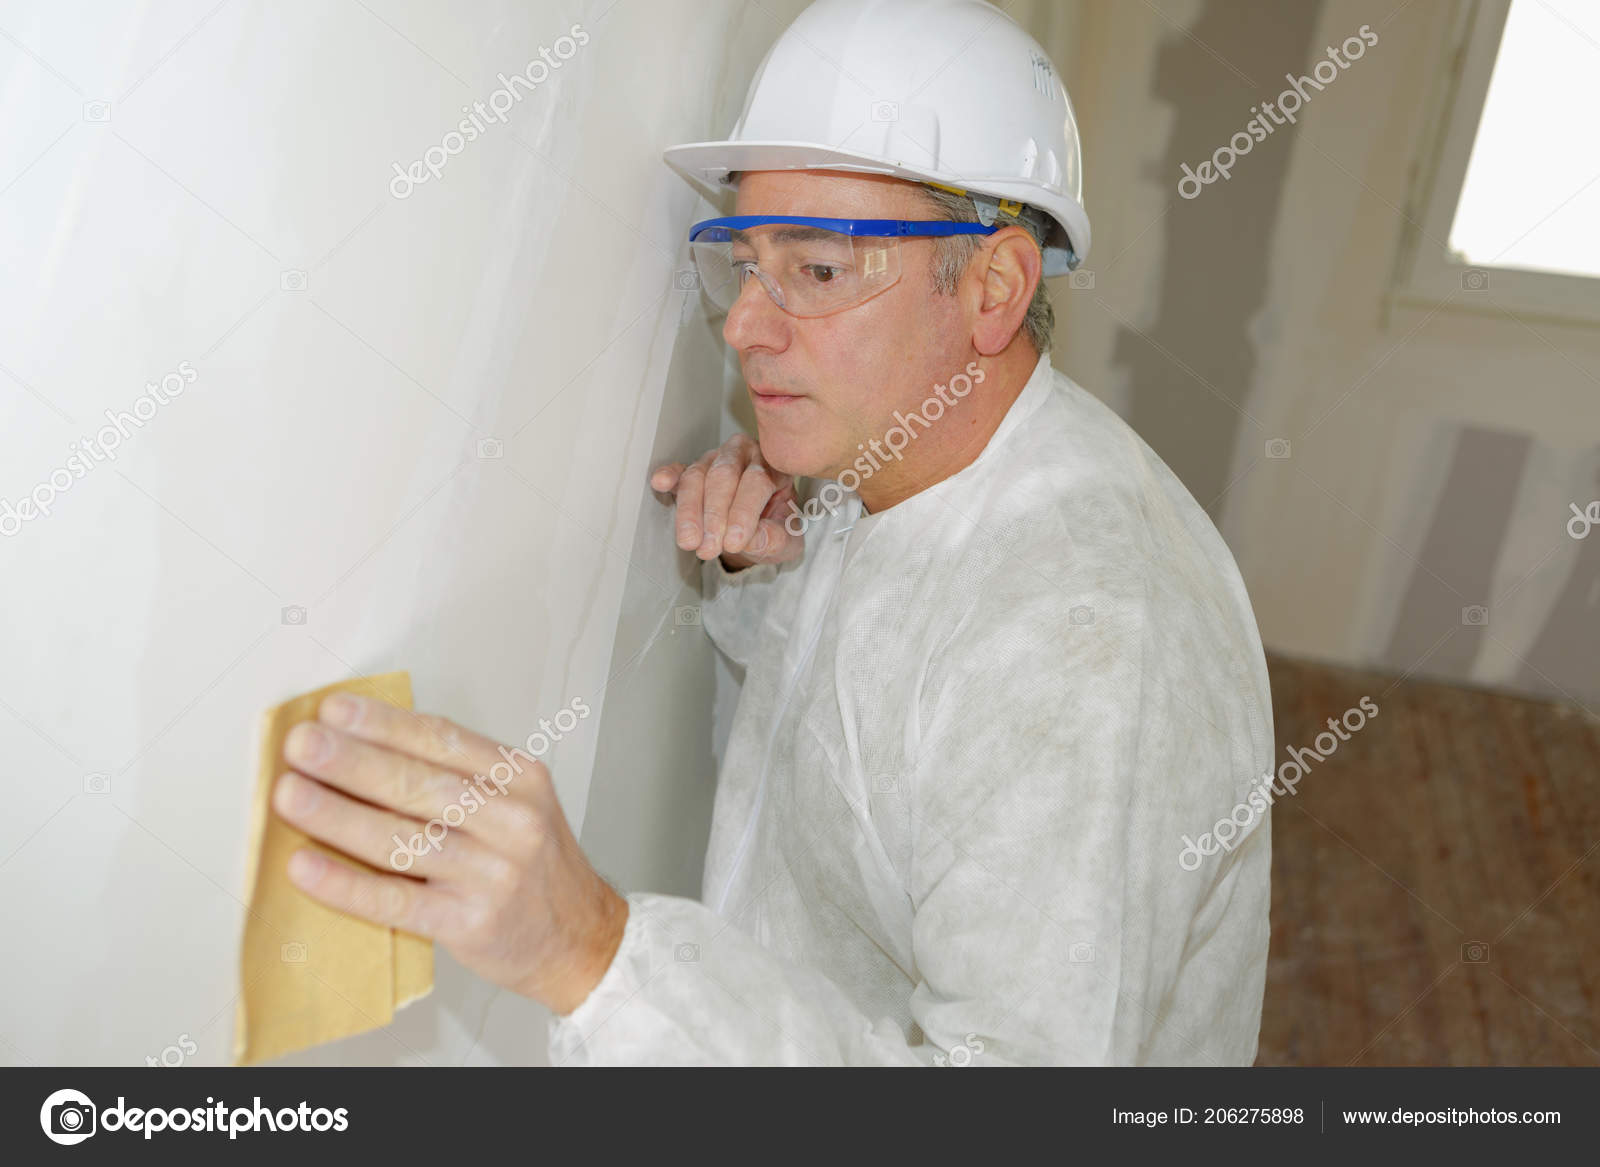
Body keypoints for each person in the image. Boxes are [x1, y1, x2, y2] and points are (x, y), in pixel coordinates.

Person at [272, 0, 1272, 1066]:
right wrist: (766, 574)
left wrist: (593, 954)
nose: (746, 322)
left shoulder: (1090, 644)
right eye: (746, 261)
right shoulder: (899, 465)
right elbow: (888, 741)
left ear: (992, 286)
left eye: (820, 270)